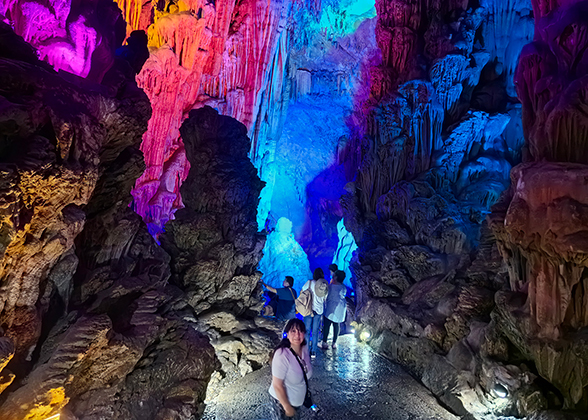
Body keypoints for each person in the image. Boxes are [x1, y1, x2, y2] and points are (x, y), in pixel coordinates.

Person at [269, 318, 313, 419]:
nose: (297, 335)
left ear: (304, 333)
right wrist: (287, 407)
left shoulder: (305, 348)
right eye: (293, 331)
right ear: (287, 334)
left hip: (297, 402)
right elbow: (277, 385)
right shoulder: (282, 354)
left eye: (300, 331)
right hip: (283, 404)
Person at [301, 268, 329, 358]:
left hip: (309, 309)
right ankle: (313, 351)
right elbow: (325, 299)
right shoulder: (324, 285)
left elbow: (302, 292)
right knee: (315, 331)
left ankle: (306, 350)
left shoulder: (309, 282)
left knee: (307, 330)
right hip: (319, 311)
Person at [319, 270, 347, 350]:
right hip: (340, 307)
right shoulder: (343, 287)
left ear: (336, 277)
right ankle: (334, 342)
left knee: (327, 325)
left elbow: (326, 295)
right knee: (336, 325)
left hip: (330, 307)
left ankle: (324, 342)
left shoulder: (331, 286)